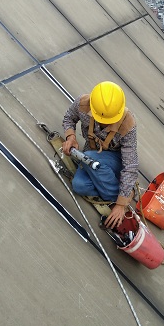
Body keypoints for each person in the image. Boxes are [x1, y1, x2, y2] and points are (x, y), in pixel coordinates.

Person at [62, 81, 138, 229]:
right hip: (90, 156)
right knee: (79, 185)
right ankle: (117, 189)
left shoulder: (128, 124)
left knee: (90, 158)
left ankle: (125, 194)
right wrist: (70, 137)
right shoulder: (83, 103)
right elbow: (69, 118)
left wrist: (120, 205)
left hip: (113, 161)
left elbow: (130, 165)